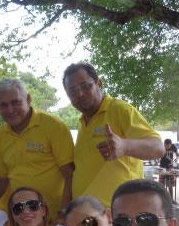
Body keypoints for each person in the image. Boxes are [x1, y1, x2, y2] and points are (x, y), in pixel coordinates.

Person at [62, 62, 164, 207]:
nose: (79, 94)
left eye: (85, 86)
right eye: (72, 91)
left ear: (99, 83)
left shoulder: (120, 110)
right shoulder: (82, 121)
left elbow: (158, 148)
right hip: (86, 214)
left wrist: (125, 146)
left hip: (117, 214)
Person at [0, 79, 74, 222]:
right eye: (3, 105)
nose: (10, 110)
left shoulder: (53, 126)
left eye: (16, 102)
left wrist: (63, 215)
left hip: (54, 218)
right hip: (23, 219)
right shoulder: (2, 134)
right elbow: (1, 181)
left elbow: (70, 176)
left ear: (28, 99)